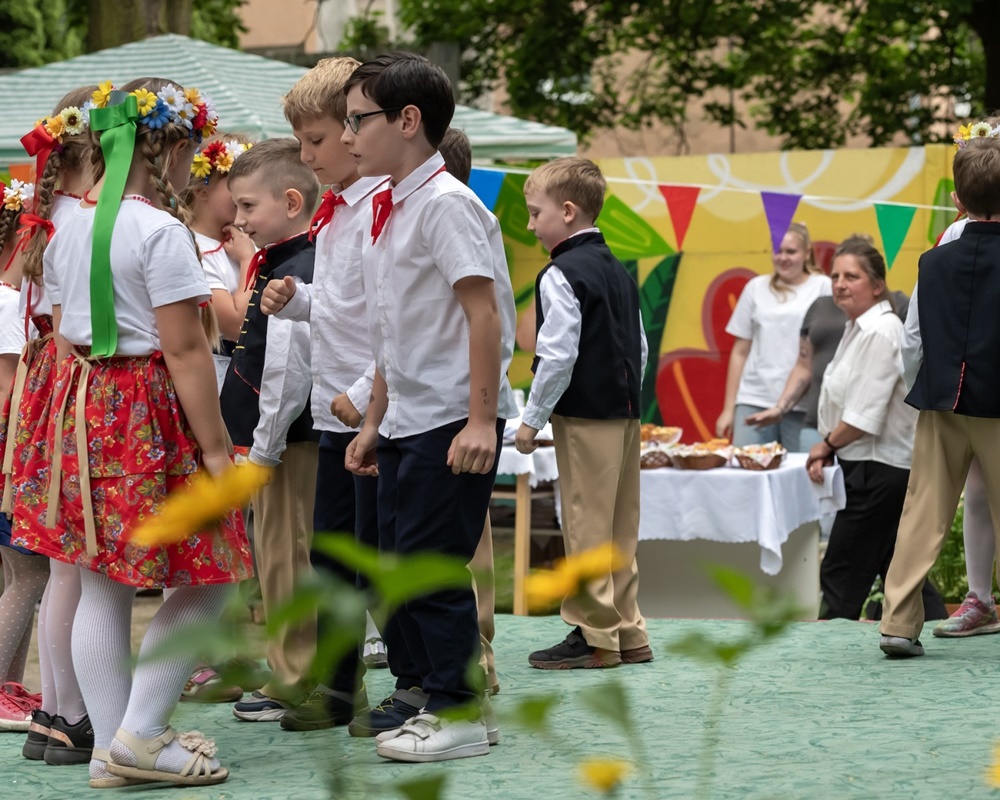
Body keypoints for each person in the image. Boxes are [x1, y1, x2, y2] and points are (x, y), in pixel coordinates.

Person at [20, 78, 252, 787]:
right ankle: (142, 731)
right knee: (215, 573)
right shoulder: (159, 231)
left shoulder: (69, 224)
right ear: (174, 149)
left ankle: (109, 749)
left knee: (100, 585)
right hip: (145, 410)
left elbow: (64, 335)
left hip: (80, 404)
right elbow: (185, 350)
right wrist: (216, 451)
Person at [342, 51, 518, 763]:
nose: (348, 136)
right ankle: (443, 698)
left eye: (358, 120)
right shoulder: (392, 206)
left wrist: (480, 420)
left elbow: (484, 315)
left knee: (433, 566)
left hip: (451, 415)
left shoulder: (446, 204)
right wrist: (374, 421)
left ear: (408, 120)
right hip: (408, 416)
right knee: (402, 564)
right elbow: (394, 328)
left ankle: (458, 709)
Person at [258, 55, 390, 732]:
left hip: (379, 413)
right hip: (337, 414)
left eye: (315, 140)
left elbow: (407, 317)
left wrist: (364, 392)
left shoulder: (382, 210)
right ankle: (342, 689)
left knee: (382, 559)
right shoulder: (336, 213)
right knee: (332, 556)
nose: (306, 156)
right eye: (301, 141)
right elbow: (346, 308)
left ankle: (430, 688)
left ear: (355, 129)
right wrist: (298, 300)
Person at [513, 156, 651, 670]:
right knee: (620, 526)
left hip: (585, 415)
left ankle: (596, 635)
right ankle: (629, 629)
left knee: (585, 524)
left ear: (567, 212)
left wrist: (532, 418)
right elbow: (639, 346)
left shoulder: (560, 273)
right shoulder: (619, 271)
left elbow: (557, 354)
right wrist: (627, 398)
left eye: (535, 213)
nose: (531, 226)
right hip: (624, 413)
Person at [5, 87, 101, 759]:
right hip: (73, 385)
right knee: (70, 568)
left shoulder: (48, 218)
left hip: (46, 388)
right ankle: (69, 710)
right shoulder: (82, 220)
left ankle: (55, 712)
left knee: (60, 567)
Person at [879, 137, 1000, 657]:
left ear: (957, 199)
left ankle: (897, 624)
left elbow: (912, 340)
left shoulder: (932, 262)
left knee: (922, 512)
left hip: (941, 402)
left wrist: (924, 388)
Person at [220, 138, 322, 720]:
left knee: (286, 554)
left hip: (286, 442)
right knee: (283, 551)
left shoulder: (293, 270)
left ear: (289, 201)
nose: (239, 220)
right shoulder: (284, 261)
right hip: (282, 439)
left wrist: (263, 450)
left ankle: (294, 674)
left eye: (248, 206)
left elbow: (287, 371)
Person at [802, 239, 946, 621]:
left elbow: (864, 417)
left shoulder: (881, 331)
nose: (840, 284)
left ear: (878, 285)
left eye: (852, 276)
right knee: (896, 566)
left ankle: (828, 644)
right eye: (835, 276)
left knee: (841, 570)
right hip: (870, 467)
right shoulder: (858, 328)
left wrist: (826, 445)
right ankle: (936, 622)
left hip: (877, 470)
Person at [438, 125, 501, 696]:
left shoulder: (455, 214)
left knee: (457, 544)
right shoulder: (469, 213)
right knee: (468, 538)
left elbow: (482, 316)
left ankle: (473, 661)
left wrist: (479, 415)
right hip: (454, 398)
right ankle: (476, 654)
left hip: (455, 401)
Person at [0, 177, 48, 731]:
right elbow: (9, 390)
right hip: (8, 455)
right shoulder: (9, 302)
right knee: (30, 574)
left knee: (18, 572)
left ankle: (9, 687)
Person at [716, 222, 831, 449]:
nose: (783, 258)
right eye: (778, 251)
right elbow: (740, 351)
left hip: (802, 404)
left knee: (802, 470)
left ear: (807, 253)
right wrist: (729, 409)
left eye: (791, 251)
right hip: (754, 399)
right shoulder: (755, 287)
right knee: (747, 467)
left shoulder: (823, 286)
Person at [181, 133, 256, 390]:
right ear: (202, 190)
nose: (247, 191)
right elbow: (237, 325)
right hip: (221, 378)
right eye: (235, 181)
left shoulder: (246, 239)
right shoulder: (194, 249)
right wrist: (248, 261)